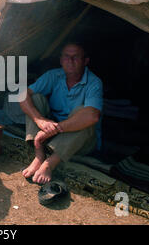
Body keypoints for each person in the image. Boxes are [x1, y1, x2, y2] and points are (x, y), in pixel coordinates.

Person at [20, 42, 103, 184]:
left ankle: (49, 163)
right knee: (35, 98)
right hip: (51, 136)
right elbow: (22, 95)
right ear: (61, 60)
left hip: (81, 140)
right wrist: (40, 120)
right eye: (66, 57)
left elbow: (92, 116)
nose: (70, 61)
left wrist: (55, 129)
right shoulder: (54, 75)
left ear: (85, 61)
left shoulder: (94, 82)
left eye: (75, 57)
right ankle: (39, 155)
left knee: (83, 113)